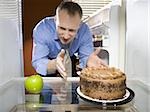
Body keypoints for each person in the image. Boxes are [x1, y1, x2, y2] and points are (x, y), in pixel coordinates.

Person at [32, 1, 107, 77]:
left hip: (70, 59)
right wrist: (54, 64)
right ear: (55, 20)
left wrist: (88, 62)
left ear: (79, 25)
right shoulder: (43, 29)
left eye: (71, 30)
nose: (66, 36)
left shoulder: (84, 31)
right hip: (49, 62)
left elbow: (86, 56)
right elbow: (39, 61)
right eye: (62, 28)